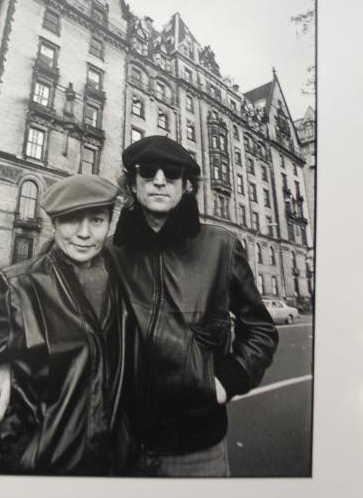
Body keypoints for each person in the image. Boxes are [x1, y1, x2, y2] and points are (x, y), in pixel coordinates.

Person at [108, 135, 279, 476]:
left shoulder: (222, 246)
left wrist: (227, 380)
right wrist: (1, 360)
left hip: (198, 450)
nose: (159, 180)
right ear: (132, 183)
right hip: (124, 443)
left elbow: (260, 330)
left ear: (186, 185)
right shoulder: (111, 252)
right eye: (148, 171)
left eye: (172, 172)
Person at [0, 174, 128, 476]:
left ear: (109, 224)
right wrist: (26, 446)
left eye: (97, 220)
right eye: (72, 220)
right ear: (55, 223)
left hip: (112, 466)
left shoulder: (122, 282)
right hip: (43, 469)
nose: (85, 233)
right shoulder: (18, 285)